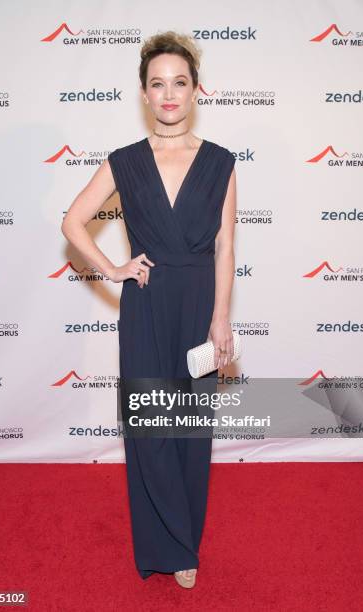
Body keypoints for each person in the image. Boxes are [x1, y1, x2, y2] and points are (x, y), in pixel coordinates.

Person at [61, 31, 237, 589]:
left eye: (179, 83)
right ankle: (161, 541)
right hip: (145, 305)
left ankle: (184, 546)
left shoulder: (221, 163)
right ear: (143, 93)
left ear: (195, 91)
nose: (168, 94)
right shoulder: (125, 162)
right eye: (157, 84)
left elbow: (225, 247)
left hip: (198, 308)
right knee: (148, 429)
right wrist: (112, 270)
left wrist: (221, 318)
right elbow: (72, 222)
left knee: (190, 429)